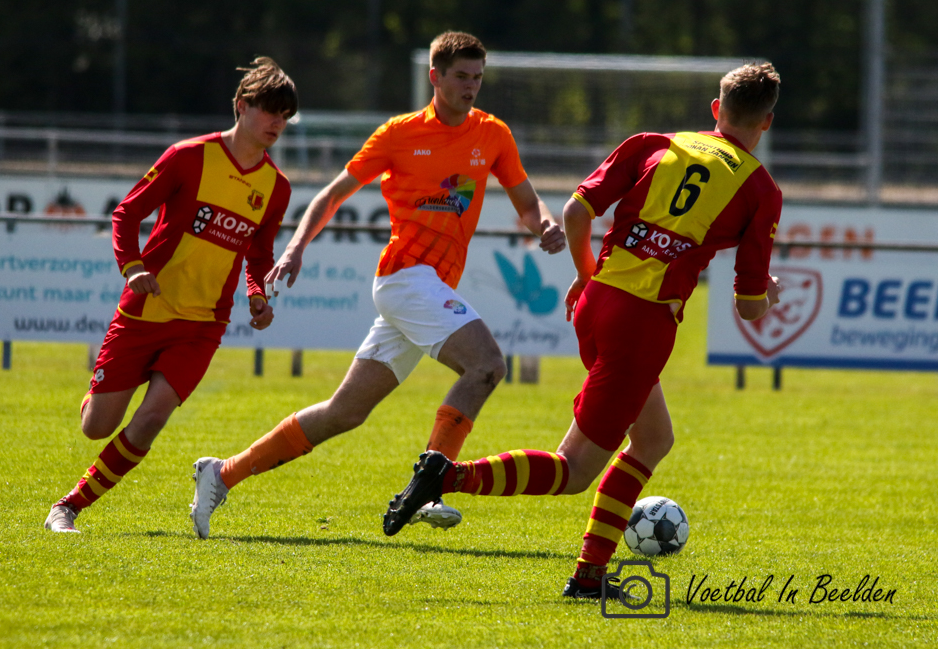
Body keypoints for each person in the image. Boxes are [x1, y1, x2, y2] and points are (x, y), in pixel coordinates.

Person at [381, 63, 783, 601]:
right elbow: (750, 308)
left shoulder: (654, 143)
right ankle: (449, 478)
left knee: (654, 438)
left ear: (716, 109)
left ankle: (589, 573)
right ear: (767, 122)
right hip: (642, 324)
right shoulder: (760, 189)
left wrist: (585, 273)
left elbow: (575, 212)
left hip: (595, 303)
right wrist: (769, 293)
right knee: (572, 470)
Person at [189, 30, 566, 539]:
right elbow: (332, 194)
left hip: (426, 289)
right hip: (405, 278)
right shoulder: (398, 134)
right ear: (435, 77)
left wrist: (544, 224)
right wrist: (296, 248)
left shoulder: (493, 134)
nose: (471, 86)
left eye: (478, 77)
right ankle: (431, 484)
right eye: (461, 76)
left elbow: (526, 200)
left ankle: (222, 473)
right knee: (487, 365)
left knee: (344, 413)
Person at [43, 57, 298, 534]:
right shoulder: (188, 156)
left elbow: (259, 252)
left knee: (152, 418)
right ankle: (99, 391)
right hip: (146, 310)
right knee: (97, 426)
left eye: (285, 116)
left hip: (203, 325)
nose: (277, 123)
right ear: (242, 105)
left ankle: (68, 507)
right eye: (270, 111)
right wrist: (133, 267)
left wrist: (258, 295)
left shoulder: (276, 187)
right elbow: (125, 214)